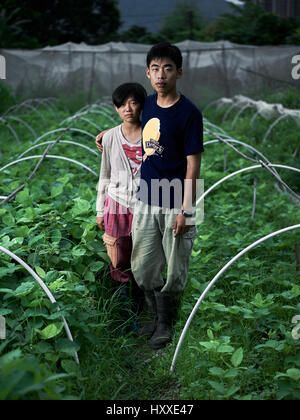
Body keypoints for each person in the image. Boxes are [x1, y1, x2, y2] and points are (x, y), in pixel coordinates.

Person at [96, 42, 204, 349]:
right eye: (155, 69)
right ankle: (153, 316)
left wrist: (186, 208)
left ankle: (164, 324)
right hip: (146, 197)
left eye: (168, 68)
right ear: (148, 73)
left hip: (176, 199)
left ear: (178, 72)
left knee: (175, 267)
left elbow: (194, 164)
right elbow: (127, 122)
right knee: (142, 267)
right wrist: (104, 134)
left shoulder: (189, 113)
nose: (161, 74)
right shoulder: (149, 106)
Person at [96, 82, 147, 330]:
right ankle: (124, 313)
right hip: (116, 204)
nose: (128, 108)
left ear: (142, 105)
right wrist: (99, 210)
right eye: (122, 104)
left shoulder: (153, 135)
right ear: (116, 108)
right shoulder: (110, 138)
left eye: (134, 102)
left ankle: (141, 305)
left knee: (144, 256)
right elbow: (104, 175)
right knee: (117, 256)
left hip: (146, 205)